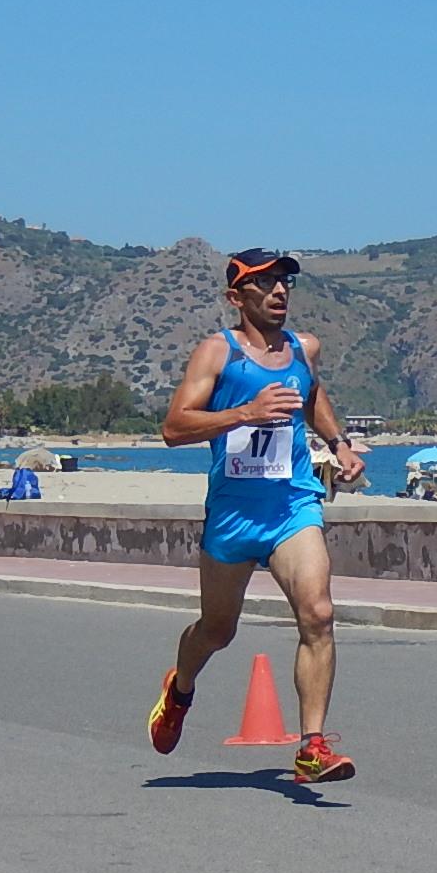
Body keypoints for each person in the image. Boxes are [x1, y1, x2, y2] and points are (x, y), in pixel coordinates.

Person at [146, 249, 366, 784]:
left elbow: (312, 396)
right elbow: (174, 428)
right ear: (236, 297)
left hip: (292, 504)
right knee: (217, 630)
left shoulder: (304, 349)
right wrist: (245, 412)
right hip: (233, 514)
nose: (279, 290)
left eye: (284, 281)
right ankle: (179, 689)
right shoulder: (216, 352)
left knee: (318, 613)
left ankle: (312, 747)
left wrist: (339, 443)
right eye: (264, 283)